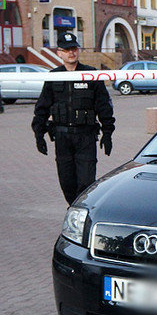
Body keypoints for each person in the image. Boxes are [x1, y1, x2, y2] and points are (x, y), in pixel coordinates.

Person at [32, 32, 115, 205]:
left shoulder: (91, 74)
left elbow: (103, 105)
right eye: (67, 50)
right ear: (59, 53)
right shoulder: (54, 76)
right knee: (67, 183)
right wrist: (38, 134)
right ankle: (75, 211)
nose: (72, 53)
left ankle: (82, 212)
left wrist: (108, 132)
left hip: (85, 136)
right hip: (62, 138)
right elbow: (42, 107)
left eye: (74, 49)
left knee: (86, 183)